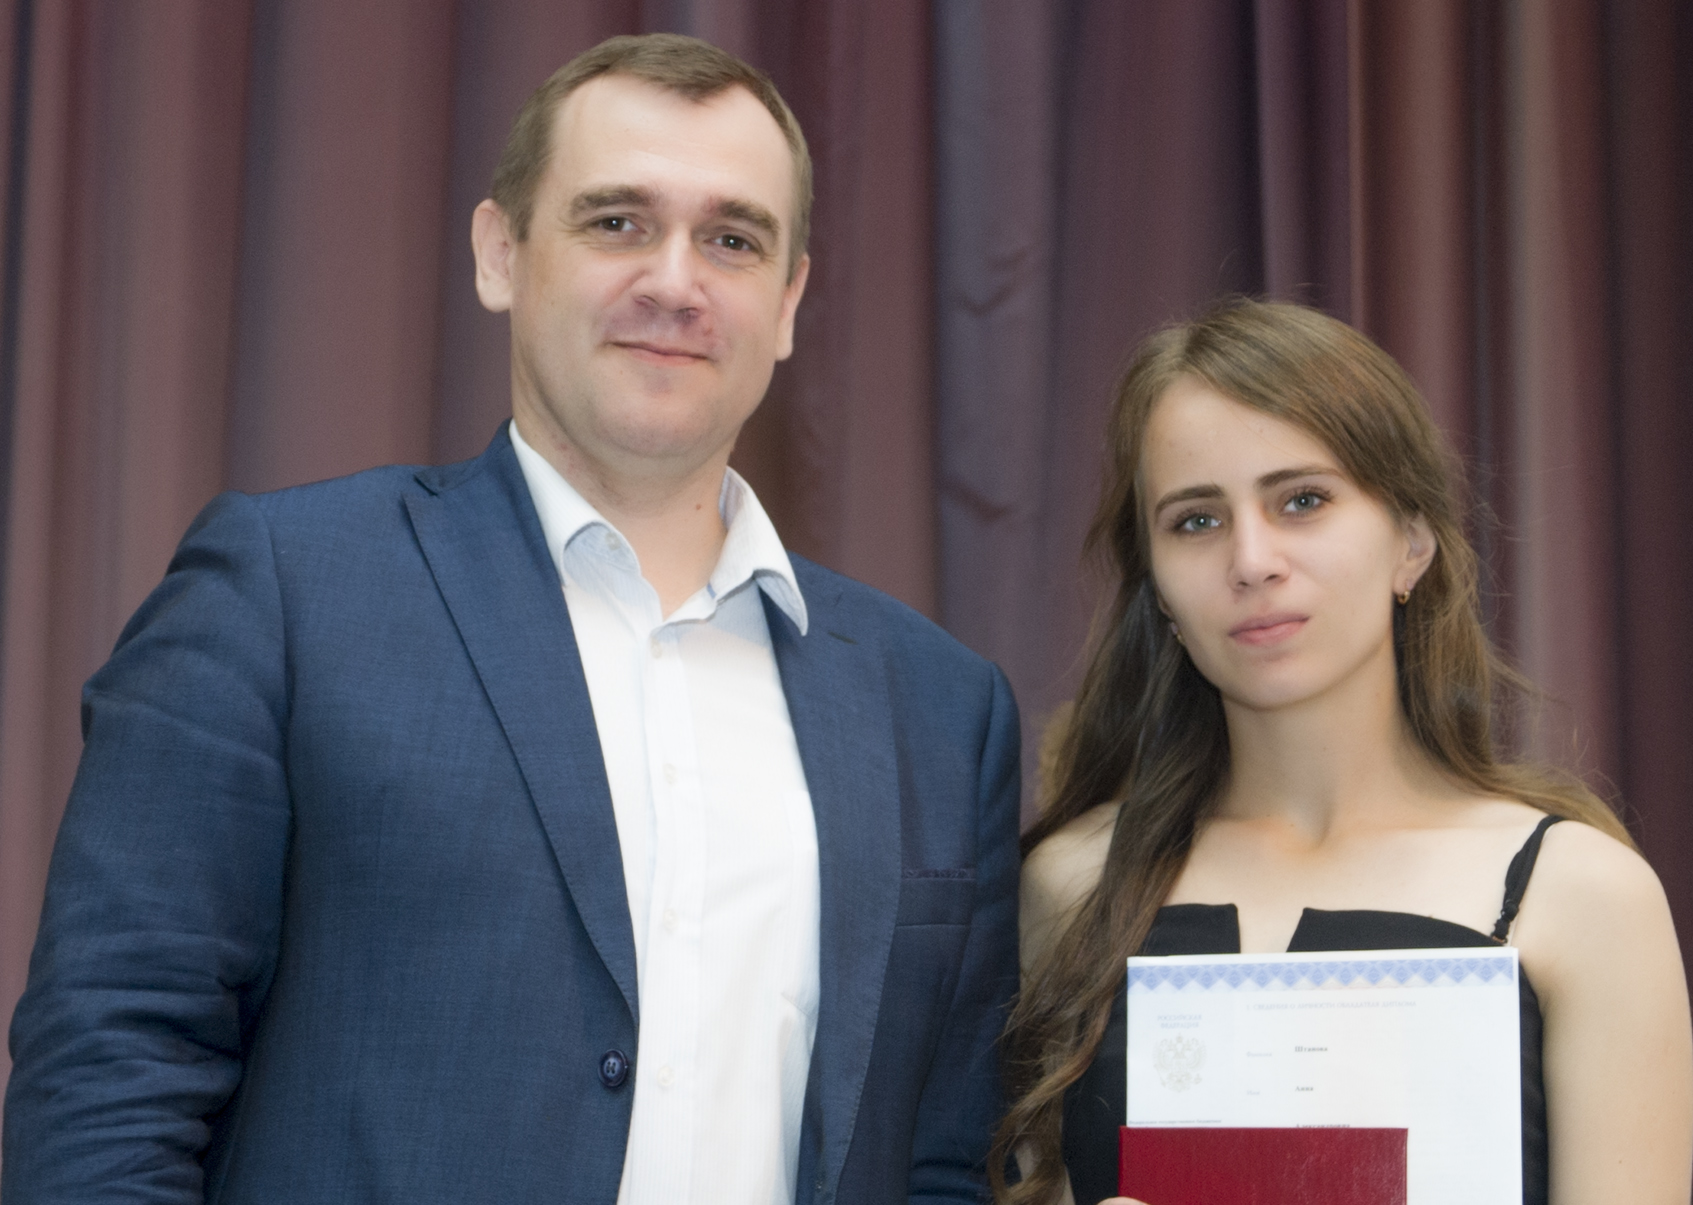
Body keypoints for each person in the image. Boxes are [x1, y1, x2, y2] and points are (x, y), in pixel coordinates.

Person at [4, 34, 1019, 1204]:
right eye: (617, 222)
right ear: (500, 253)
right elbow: (109, 1075)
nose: (675, 282)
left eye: (732, 240)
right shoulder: (283, 593)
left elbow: (943, 1160)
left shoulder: (939, 707)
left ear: (788, 302)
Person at [987, 300, 1693, 1205]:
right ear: (1157, 589)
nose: (1252, 560)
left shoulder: (1586, 897)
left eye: (1303, 501)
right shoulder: (1067, 888)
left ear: (1412, 541)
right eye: (1196, 520)